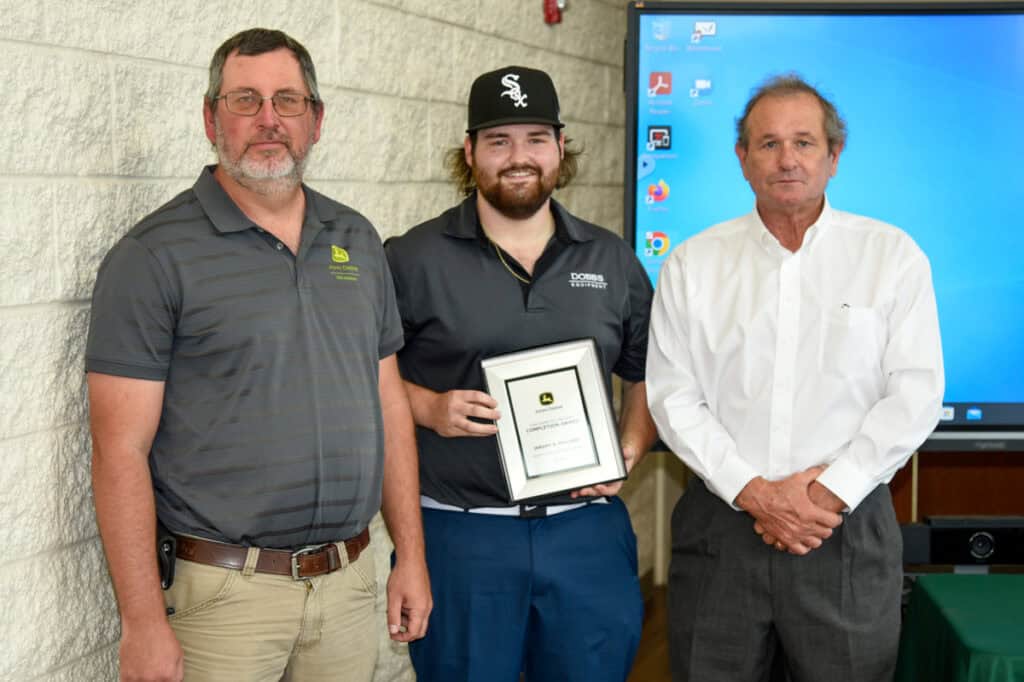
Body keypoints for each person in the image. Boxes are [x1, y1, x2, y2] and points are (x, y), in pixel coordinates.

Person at [86, 28, 431, 682]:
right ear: (211, 117)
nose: (268, 119)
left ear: (316, 120)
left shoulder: (356, 239)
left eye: (287, 101)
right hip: (225, 600)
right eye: (245, 100)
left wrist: (408, 557)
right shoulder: (154, 256)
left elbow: (388, 405)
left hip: (349, 582)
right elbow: (118, 449)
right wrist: (141, 621)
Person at [646, 73, 944, 682]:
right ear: (742, 159)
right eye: (769, 144)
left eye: (804, 143)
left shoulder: (892, 256)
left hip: (844, 533)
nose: (787, 160)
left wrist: (825, 494)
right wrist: (756, 492)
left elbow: (915, 394)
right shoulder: (692, 264)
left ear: (834, 157)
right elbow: (674, 397)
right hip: (723, 529)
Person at [384, 66, 658, 682]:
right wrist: (428, 407)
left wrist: (630, 446)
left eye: (535, 138)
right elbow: (361, 379)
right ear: (470, 151)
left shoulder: (608, 257)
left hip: (584, 535)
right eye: (499, 140)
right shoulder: (411, 258)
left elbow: (647, 375)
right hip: (461, 536)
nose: (519, 157)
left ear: (561, 148)